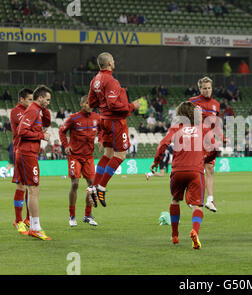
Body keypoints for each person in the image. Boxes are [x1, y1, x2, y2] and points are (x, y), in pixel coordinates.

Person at [150, 102, 219, 249]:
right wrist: (206, 159)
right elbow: (215, 148)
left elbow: (162, 144)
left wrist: (156, 162)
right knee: (197, 206)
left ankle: (175, 235)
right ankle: (195, 231)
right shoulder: (202, 129)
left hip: (177, 171)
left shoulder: (176, 128)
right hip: (196, 171)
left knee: (175, 200)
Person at [88, 52, 140, 207]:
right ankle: (102, 187)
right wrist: (132, 106)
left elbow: (91, 101)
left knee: (108, 154)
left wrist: (103, 105)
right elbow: (113, 104)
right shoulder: (111, 80)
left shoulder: (95, 80)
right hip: (114, 122)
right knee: (120, 155)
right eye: (113, 59)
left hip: (103, 119)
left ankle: (93, 187)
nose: (114, 61)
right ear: (109, 62)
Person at [16, 85, 52, 240]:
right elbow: (21, 131)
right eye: (47, 99)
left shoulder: (38, 110)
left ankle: (33, 225)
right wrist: (40, 136)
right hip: (27, 154)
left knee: (32, 190)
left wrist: (45, 111)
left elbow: (47, 122)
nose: (49, 102)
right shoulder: (32, 110)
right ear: (40, 97)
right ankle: (35, 227)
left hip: (28, 154)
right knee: (33, 189)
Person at [59, 95, 102, 227]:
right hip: (75, 156)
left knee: (92, 185)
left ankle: (88, 215)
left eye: (92, 103)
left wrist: (100, 140)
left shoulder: (97, 118)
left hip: (88, 156)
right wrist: (66, 145)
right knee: (75, 184)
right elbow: (62, 131)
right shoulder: (74, 118)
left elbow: (101, 130)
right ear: (82, 104)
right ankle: (72, 216)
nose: (90, 105)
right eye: (87, 103)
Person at [189, 76, 224, 212]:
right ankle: (193, 199)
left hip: (210, 141)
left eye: (209, 88)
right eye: (204, 88)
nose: (207, 91)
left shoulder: (216, 104)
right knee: (195, 171)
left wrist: (222, 137)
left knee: (210, 169)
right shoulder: (193, 102)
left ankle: (210, 200)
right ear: (200, 89)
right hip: (196, 140)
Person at [10, 88, 35, 235]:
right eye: (30, 99)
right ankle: (18, 220)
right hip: (19, 151)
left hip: (29, 152)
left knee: (30, 186)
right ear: (21, 100)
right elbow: (27, 129)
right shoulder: (16, 112)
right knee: (21, 186)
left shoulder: (30, 112)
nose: (32, 102)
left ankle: (27, 219)